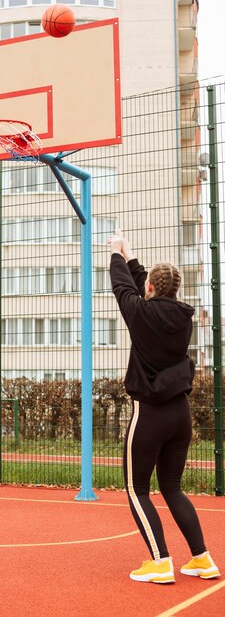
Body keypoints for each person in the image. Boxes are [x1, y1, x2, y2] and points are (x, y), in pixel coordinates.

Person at [108, 232, 220, 584]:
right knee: (171, 487)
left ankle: (160, 561)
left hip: (150, 413)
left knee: (137, 488)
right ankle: (202, 559)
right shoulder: (182, 317)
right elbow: (143, 289)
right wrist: (130, 255)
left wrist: (115, 255)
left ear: (152, 289)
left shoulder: (141, 314)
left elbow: (124, 288)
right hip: (180, 414)